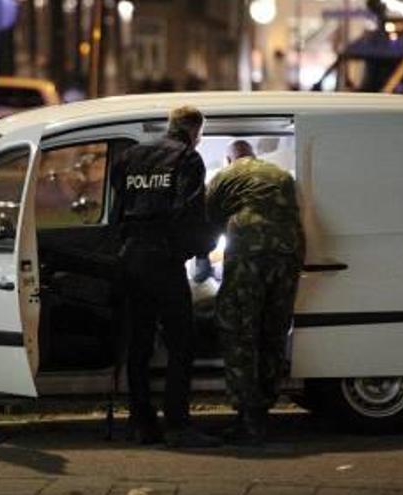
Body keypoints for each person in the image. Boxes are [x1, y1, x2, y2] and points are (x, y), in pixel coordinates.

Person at [111, 105, 219, 448]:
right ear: (195, 131)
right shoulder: (187, 159)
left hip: (131, 258)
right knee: (182, 343)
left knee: (140, 344)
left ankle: (141, 422)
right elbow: (188, 212)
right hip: (163, 260)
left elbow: (119, 205)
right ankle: (177, 423)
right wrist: (203, 250)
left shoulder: (131, 156)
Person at [204, 139, 305, 445]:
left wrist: (201, 261)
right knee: (273, 331)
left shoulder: (226, 175)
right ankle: (265, 407)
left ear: (228, 158)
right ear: (254, 155)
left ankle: (248, 418)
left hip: (250, 254)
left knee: (239, 332)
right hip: (288, 254)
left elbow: (208, 220)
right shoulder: (281, 174)